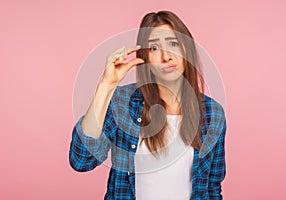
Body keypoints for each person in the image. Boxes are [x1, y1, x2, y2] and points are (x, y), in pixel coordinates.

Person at [69, 10, 227, 200]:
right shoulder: (122, 102)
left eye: (173, 44)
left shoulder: (213, 113)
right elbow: (81, 161)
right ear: (144, 57)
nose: (166, 56)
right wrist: (106, 87)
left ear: (187, 50)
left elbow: (212, 187)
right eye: (154, 48)